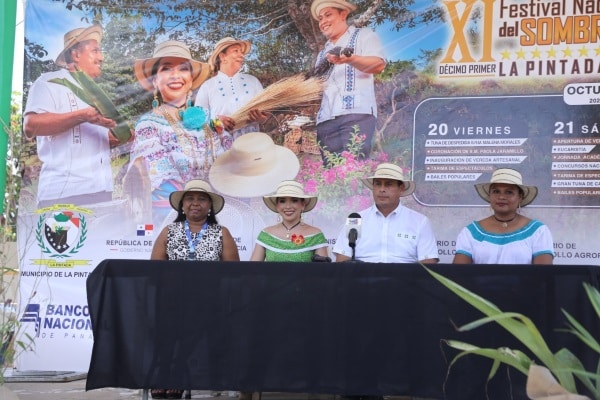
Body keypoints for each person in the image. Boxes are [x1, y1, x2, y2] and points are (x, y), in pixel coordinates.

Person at [149, 179, 239, 399]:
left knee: (196, 320)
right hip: (172, 298)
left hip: (209, 300)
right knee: (168, 323)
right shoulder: (169, 231)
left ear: (210, 206)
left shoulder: (221, 233)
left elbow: (233, 272)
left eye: (201, 199)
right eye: (190, 198)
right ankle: (163, 373)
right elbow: (155, 269)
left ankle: (177, 374)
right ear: (182, 205)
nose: (195, 203)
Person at [127, 40, 226, 227]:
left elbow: (228, 164)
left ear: (191, 80)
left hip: (219, 210)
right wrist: (198, 210)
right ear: (155, 81)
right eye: (166, 69)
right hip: (172, 216)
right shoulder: (148, 125)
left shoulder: (209, 119)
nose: (175, 75)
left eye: (183, 69)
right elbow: (161, 184)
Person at [23, 25, 117, 208]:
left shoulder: (96, 93)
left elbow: (90, 140)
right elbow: (30, 126)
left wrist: (118, 137)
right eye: (95, 51)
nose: (102, 57)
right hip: (63, 194)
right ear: (75, 55)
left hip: (102, 190)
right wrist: (82, 116)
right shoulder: (49, 82)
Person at [310, 0, 386, 160]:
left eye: (328, 15)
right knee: (331, 170)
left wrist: (350, 59)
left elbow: (378, 65)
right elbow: (318, 87)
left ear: (343, 14)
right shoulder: (322, 53)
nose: (323, 22)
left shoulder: (364, 35)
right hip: (326, 120)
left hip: (356, 115)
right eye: (320, 18)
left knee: (353, 168)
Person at [333, 163, 439, 264]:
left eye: (388, 184)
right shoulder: (355, 220)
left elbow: (428, 263)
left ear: (401, 189)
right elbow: (342, 260)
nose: (382, 189)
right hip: (362, 276)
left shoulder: (420, 222)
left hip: (405, 277)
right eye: (378, 184)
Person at [453, 168, 554, 265]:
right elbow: (458, 273)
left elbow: (543, 274)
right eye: (496, 191)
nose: (501, 197)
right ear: (490, 196)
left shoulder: (538, 231)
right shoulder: (470, 232)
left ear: (520, 197)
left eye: (509, 192)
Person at [195, 37, 268, 140]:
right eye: (236, 51)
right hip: (221, 147)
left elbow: (266, 115)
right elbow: (197, 120)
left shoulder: (253, 81)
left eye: (241, 52)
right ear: (222, 56)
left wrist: (261, 119)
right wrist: (216, 122)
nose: (241, 55)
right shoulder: (207, 86)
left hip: (253, 144)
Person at [250, 180, 329, 262]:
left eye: (294, 200)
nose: (288, 206)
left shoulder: (316, 235)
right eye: (282, 201)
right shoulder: (266, 235)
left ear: (303, 205)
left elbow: (323, 269)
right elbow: (252, 268)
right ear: (277, 206)